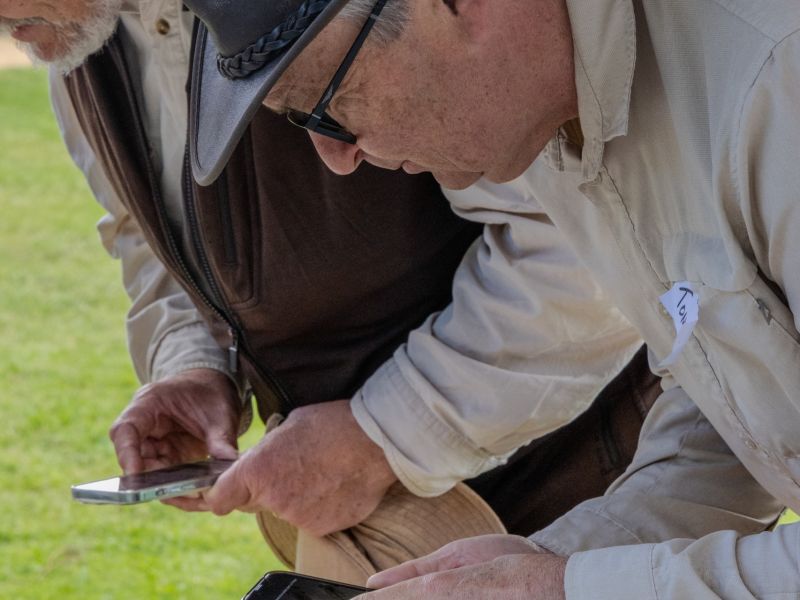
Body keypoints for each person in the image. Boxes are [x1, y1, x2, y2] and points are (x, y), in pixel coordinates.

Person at [0, 0, 668, 587]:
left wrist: (384, 435)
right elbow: (143, 231)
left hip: (583, 490)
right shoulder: (74, 35)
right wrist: (197, 363)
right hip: (370, 534)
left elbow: (580, 247)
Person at [181, 0, 800, 597]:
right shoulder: (544, 111)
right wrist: (557, 563)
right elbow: (741, 408)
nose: (337, 158)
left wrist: (570, 589)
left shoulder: (779, 79)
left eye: (327, 104)